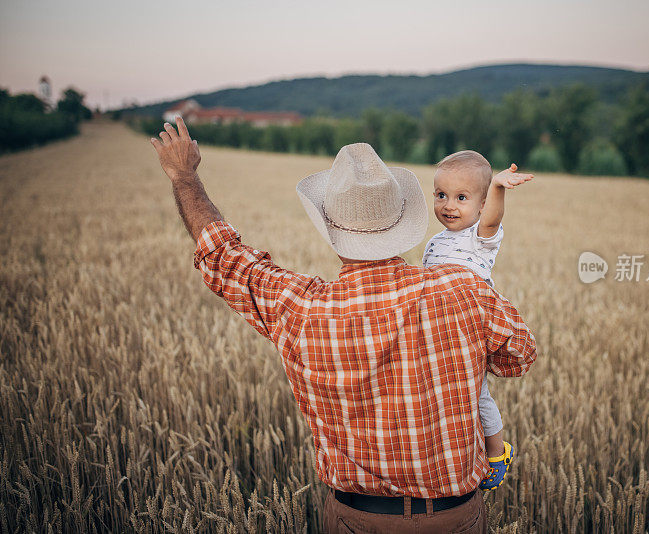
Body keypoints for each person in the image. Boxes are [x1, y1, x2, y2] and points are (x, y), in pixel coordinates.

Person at [150, 118, 537, 533]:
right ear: (402, 220)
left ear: (330, 228)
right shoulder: (463, 290)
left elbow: (224, 258)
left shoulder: (303, 308)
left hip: (357, 519)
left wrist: (184, 176)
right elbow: (518, 357)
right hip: (454, 517)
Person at [422, 150, 533, 491]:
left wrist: (498, 187)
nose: (448, 205)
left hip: (470, 333)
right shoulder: (434, 242)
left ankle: (497, 454)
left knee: (477, 394)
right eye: (441, 195)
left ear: (482, 204)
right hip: (437, 333)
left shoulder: (480, 239)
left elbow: (493, 219)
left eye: (461, 197)